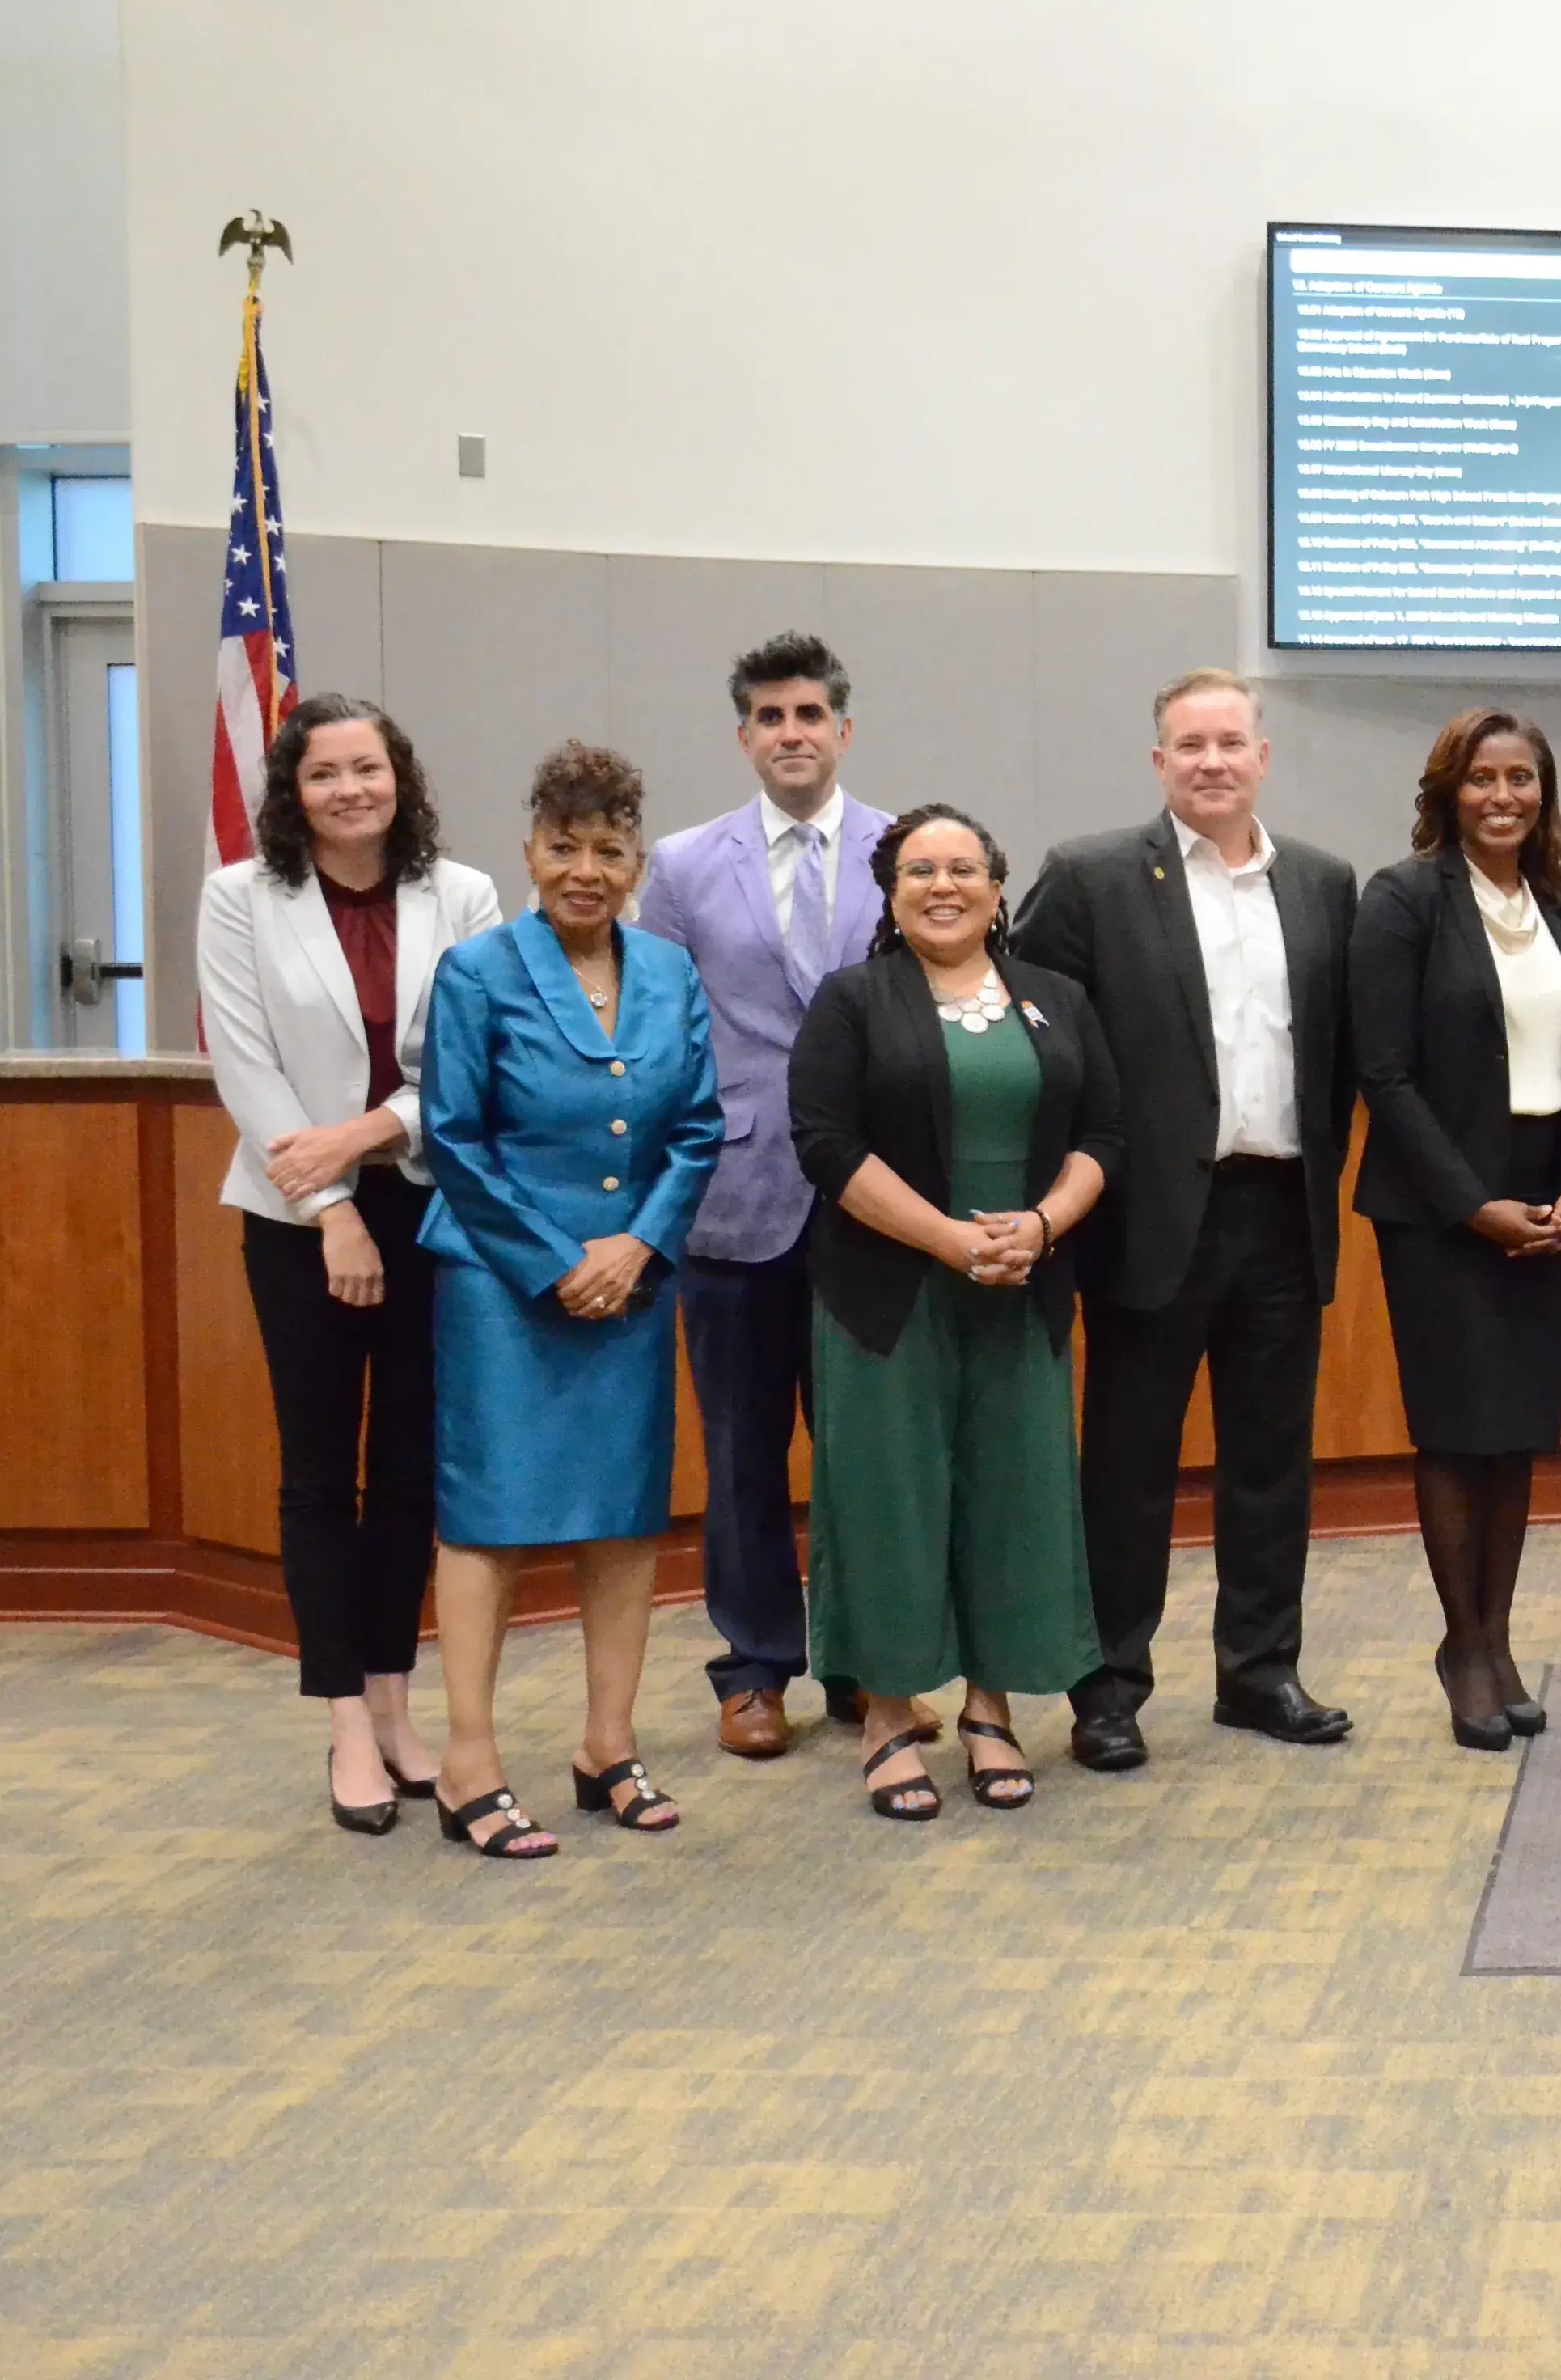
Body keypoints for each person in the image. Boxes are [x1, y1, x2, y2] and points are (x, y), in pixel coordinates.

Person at [1012, 670, 1363, 1770]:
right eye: (1188, 746)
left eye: (1231, 743)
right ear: (1158, 764)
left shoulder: (1322, 882)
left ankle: (1261, 1675)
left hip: (1281, 1210)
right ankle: (1108, 1685)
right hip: (1148, 1219)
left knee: (1272, 1464)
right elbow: (1042, 1042)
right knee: (1128, 1468)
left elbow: (1342, 1049)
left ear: (1263, 757)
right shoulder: (1092, 876)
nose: (1212, 762)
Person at [197, 694, 504, 1832]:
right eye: (323, 775)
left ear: (399, 775)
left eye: (366, 768)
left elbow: (476, 1061)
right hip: (294, 1219)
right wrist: (331, 1207)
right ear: (293, 791)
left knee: (414, 1470)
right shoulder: (241, 897)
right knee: (322, 1470)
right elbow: (244, 1065)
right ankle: (341, 1721)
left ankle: (395, 1698)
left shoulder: (461, 893)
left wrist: (370, 1136)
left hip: (430, 1205)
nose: (349, 791)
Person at [417, 743, 723, 1860]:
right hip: (502, 1284)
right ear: (529, 853)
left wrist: (637, 1246)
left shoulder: (669, 972)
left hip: (632, 1287)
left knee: (624, 1517)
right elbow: (452, 1138)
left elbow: (696, 1128)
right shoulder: (479, 973)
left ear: (637, 861)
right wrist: (558, 1260)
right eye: (564, 847)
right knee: (489, 1520)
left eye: (608, 850)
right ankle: (468, 1760)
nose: (585, 870)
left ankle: (607, 1745)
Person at [788, 807, 1119, 1821]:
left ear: (997, 887)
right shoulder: (852, 1002)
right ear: (890, 894)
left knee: (1013, 1501)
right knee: (889, 1499)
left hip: (1020, 1291)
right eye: (920, 870)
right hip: (888, 1296)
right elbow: (824, 1141)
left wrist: (1044, 1225)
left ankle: (990, 1708)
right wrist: (945, 1237)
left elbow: (1105, 1127)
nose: (944, 886)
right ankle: (889, 1715)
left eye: (964, 868)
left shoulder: (1054, 999)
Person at [632, 632, 905, 1762]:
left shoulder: (910, 850)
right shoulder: (685, 865)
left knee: (863, 1445)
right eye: (769, 717)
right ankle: (753, 1669)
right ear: (743, 736)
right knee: (743, 1449)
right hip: (734, 1197)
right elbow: (656, 1030)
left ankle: (863, 1660)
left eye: (810, 714)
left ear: (844, 729)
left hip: (876, 1201)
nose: (792, 733)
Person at [1352, 708, 1561, 1751]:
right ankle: (1461, 1646)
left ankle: (1496, 1640)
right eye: (1481, 779)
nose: (1502, 796)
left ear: (1543, 793)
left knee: (1515, 1438)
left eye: (1521, 779)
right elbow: (1384, 1073)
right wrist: (1473, 1206)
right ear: (1447, 790)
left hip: (1547, 1202)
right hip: (1442, 1209)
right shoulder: (1403, 898)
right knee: (1456, 1433)